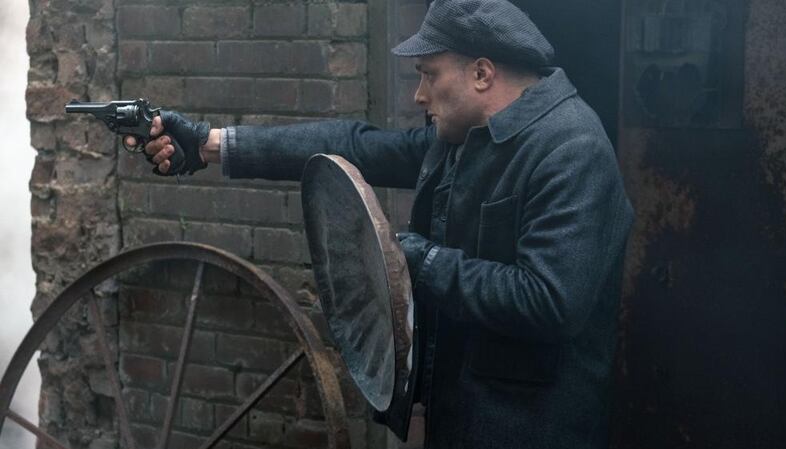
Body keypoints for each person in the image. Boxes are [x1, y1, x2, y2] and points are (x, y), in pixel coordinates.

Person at [132, 0, 634, 447]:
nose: (419, 95)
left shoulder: (571, 150)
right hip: (455, 416)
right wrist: (207, 143)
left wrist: (419, 258)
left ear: (482, 74)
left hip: (527, 429)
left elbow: (549, 302)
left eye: (429, 74)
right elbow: (357, 146)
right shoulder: (466, 136)